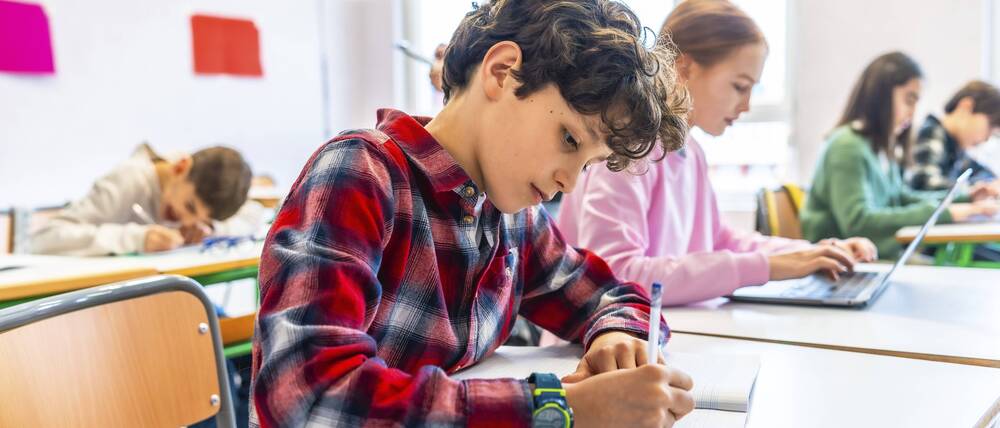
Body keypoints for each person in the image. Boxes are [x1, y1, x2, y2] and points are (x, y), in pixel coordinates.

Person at [249, 1, 696, 427]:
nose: (570, 182)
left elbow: (614, 297)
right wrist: (557, 409)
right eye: (568, 140)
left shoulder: (511, 215)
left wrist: (619, 336)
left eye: (588, 164)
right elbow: (305, 398)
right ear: (502, 72)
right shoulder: (360, 173)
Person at [553, 0, 876, 309]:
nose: (747, 105)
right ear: (685, 68)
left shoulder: (690, 152)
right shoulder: (630, 148)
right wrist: (765, 266)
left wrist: (812, 253)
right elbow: (615, 273)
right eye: (739, 86)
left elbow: (718, 238)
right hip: (602, 345)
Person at [801, 52, 999, 258]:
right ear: (881, 95)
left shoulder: (879, 148)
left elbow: (901, 197)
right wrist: (947, 212)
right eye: (909, 100)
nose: (913, 113)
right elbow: (858, 222)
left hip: (878, 256)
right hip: (844, 263)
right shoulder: (847, 145)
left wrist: (964, 198)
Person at [31, 143, 263, 256]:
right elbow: (45, 239)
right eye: (190, 206)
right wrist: (137, 238)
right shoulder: (130, 179)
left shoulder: (196, 197)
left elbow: (254, 215)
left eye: (201, 217)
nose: (189, 219)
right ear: (181, 167)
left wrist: (210, 228)